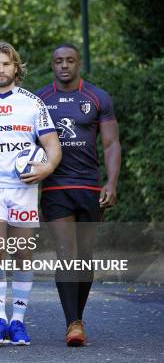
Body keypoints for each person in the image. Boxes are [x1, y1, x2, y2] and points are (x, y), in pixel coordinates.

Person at [0, 42, 61, 346]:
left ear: (16, 68)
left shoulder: (33, 104)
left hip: (23, 188)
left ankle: (17, 323)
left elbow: (52, 146)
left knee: (22, 254)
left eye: (6, 64)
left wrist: (46, 170)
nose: (1, 69)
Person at [36, 43, 121, 346]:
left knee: (84, 256)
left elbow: (111, 144)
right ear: (52, 64)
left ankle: (78, 317)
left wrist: (111, 183)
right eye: (59, 61)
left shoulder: (97, 98)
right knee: (65, 251)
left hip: (89, 187)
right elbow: (28, 144)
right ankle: (72, 323)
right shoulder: (40, 100)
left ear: (78, 63)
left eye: (70, 60)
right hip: (56, 186)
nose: (64, 66)